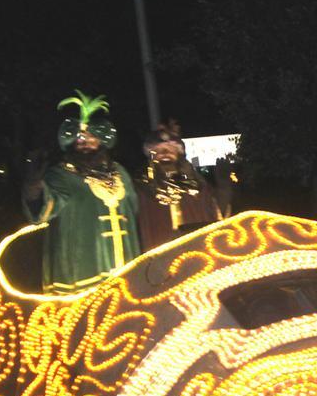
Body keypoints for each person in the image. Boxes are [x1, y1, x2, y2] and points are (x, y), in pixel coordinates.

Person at [22, 91, 140, 294]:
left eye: (91, 139)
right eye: (80, 140)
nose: (85, 143)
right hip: (83, 269)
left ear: (101, 142)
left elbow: (135, 210)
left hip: (125, 265)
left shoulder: (120, 173)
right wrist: (34, 189)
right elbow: (44, 210)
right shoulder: (60, 174)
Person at [136, 122, 231, 248]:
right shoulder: (143, 191)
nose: (165, 152)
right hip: (160, 258)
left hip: (195, 256)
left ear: (179, 155)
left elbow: (215, 213)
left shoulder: (196, 188)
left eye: (171, 149)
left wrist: (224, 188)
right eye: (158, 150)